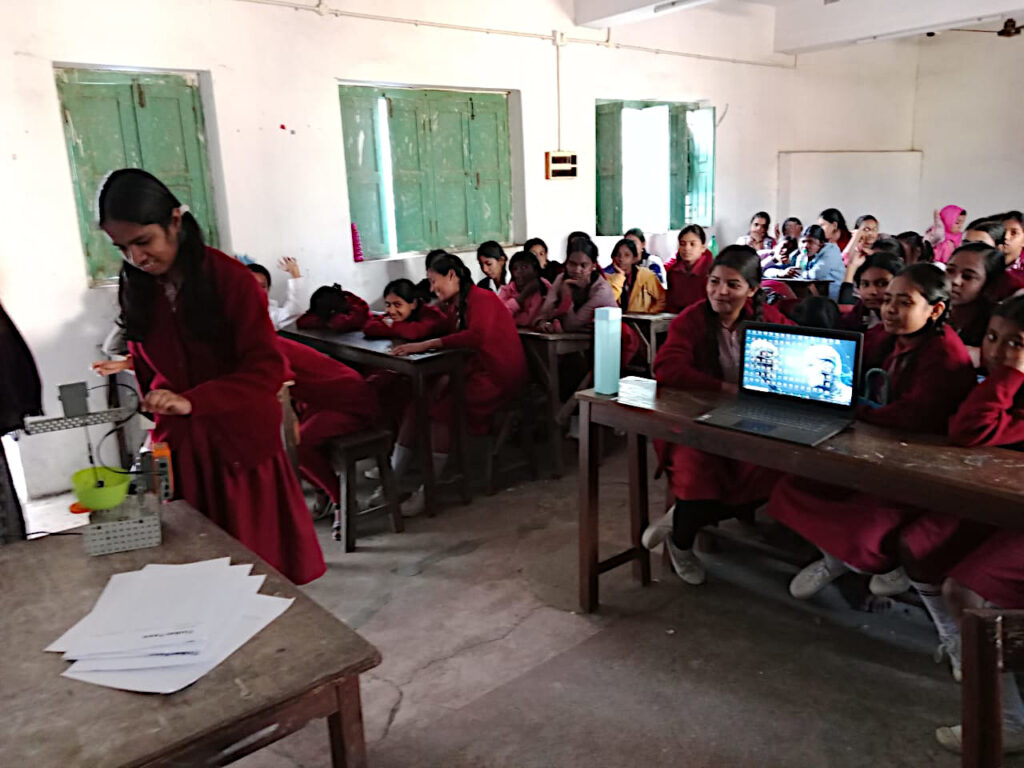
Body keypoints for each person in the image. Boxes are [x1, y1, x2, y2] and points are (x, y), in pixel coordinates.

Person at [97, 168, 325, 584]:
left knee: (253, 572)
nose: (136, 258)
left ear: (175, 222)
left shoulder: (231, 281)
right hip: (183, 444)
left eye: (143, 242)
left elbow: (267, 370)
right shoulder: (138, 286)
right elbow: (144, 357)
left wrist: (195, 400)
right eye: (123, 248)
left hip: (238, 445)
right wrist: (160, 395)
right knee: (197, 570)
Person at [767, 264, 975, 605]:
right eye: (888, 299)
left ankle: (867, 562)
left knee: (867, 533)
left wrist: (851, 409)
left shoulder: (945, 355)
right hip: (868, 446)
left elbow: (912, 415)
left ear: (935, 310)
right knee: (790, 489)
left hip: (915, 465)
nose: (890, 309)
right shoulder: (887, 337)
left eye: (904, 302)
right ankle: (839, 558)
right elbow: (850, 363)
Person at [640, 245, 794, 586]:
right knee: (698, 469)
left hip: (751, 421)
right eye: (714, 282)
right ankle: (681, 545)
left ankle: (680, 520)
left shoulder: (768, 320)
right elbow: (666, 367)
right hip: (696, 421)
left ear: (753, 290)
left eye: (733, 285)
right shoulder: (692, 319)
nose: (721, 292)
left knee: (772, 469)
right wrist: (723, 388)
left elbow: (794, 349)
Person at [930, 296, 1024, 755]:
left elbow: (972, 431)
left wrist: (1009, 375)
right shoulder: (999, 383)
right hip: (1007, 509)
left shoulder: (1008, 382)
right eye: (992, 338)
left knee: (963, 591)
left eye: (1017, 344)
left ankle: (1009, 723)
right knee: (927, 542)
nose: (999, 352)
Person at [391, 254, 527, 499]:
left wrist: (427, 345)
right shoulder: (456, 305)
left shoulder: (481, 299)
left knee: (441, 412)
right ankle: (393, 479)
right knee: (416, 404)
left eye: (434, 281)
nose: (432, 288)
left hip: (496, 377)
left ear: (452, 275)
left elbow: (475, 336)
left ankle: (428, 490)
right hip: (474, 372)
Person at [277, 337, 379, 509]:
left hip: (348, 400)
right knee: (283, 446)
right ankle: (323, 488)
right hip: (319, 401)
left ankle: (342, 500)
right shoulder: (254, 346)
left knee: (299, 444)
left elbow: (279, 380)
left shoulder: (266, 347)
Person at [536, 239, 617, 333]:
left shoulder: (601, 290)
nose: (577, 270)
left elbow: (571, 325)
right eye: (572, 264)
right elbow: (542, 314)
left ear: (593, 266)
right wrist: (543, 324)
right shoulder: (561, 278)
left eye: (583, 265)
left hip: (605, 340)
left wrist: (567, 296)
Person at [946, 243, 1007, 358]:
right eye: (950, 270)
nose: (954, 281)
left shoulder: (999, 323)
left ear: (989, 284)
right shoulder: (930, 310)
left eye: (967, 276)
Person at [363, 278, 452, 340]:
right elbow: (369, 327)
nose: (391, 311)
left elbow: (414, 332)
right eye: (388, 305)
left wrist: (392, 325)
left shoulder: (432, 314)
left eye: (397, 305)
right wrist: (398, 328)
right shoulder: (393, 316)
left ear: (413, 304)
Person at [836, 251, 903, 332]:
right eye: (865, 284)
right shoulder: (855, 317)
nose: (872, 292)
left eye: (882, 284)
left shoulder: (908, 323)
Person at [775, 224, 845, 301]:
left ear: (821, 243)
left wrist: (798, 273)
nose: (806, 245)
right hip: (813, 294)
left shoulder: (831, 252)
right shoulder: (802, 255)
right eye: (803, 241)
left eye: (810, 242)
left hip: (833, 297)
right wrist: (782, 272)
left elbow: (816, 274)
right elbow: (772, 270)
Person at [498, 250, 562, 327]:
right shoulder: (507, 290)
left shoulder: (544, 287)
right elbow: (499, 316)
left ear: (535, 271)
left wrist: (513, 318)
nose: (519, 272)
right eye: (515, 269)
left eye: (524, 267)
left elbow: (530, 320)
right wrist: (522, 297)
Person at [604, 238, 667, 314]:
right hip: (619, 322)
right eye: (618, 255)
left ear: (634, 259)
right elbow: (606, 304)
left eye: (627, 255)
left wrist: (649, 314)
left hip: (643, 323)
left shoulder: (646, 275)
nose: (621, 259)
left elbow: (663, 300)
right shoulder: (609, 279)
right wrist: (620, 277)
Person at [246, 257, 308, 330]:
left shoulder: (271, 314)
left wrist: (295, 273)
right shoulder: (231, 311)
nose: (257, 290)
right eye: (251, 285)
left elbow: (296, 309)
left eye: (263, 286)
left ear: (268, 289)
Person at [665, 224, 713, 313]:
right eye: (682, 244)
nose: (686, 248)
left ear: (703, 248)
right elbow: (670, 304)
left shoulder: (712, 273)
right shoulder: (673, 272)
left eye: (692, 244)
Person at [295, 283, 369, 332]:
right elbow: (302, 322)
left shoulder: (357, 308)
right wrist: (325, 321)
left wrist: (328, 321)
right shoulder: (327, 301)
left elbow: (340, 324)